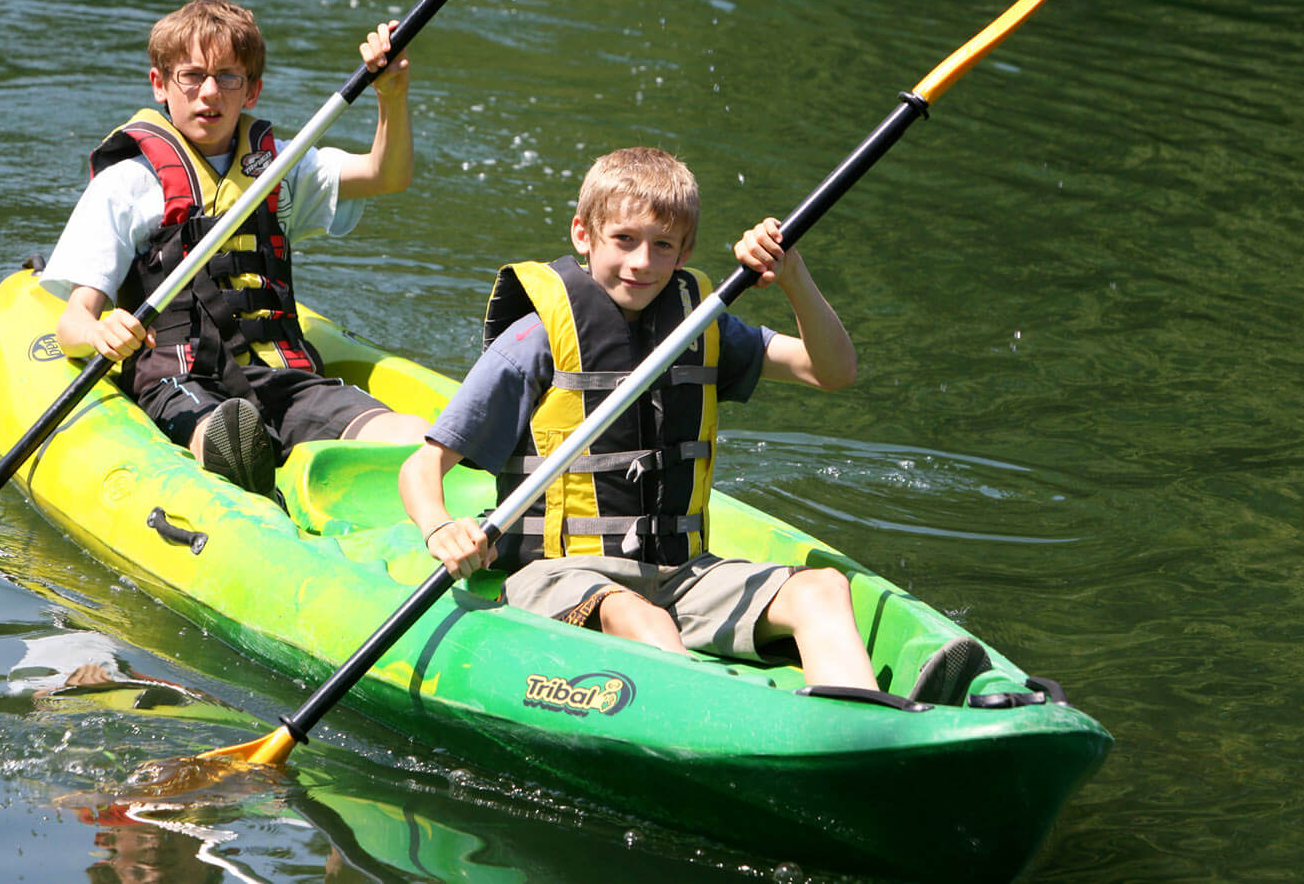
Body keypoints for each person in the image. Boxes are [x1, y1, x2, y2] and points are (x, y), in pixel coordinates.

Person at [397, 147, 988, 703]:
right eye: (623, 240)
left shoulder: (699, 326)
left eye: (663, 246)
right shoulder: (534, 340)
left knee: (822, 589)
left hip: (680, 572)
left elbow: (832, 370)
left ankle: (864, 720)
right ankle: (718, 725)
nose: (641, 262)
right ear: (583, 233)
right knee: (639, 617)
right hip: (556, 575)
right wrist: (439, 527)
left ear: (685, 252)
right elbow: (423, 467)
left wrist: (793, 277)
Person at [42, 0, 429, 498]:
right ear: (159, 84)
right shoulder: (126, 186)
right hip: (180, 379)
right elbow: (72, 323)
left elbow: (386, 175)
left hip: (282, 378)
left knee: (414, 436)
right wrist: (100, 332)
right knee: (223, 429)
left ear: (252, 90)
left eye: (228, 77)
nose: (209, 93)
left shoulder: (280, 169)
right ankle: (236, 457)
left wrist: (391, 95)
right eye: (192, 76)